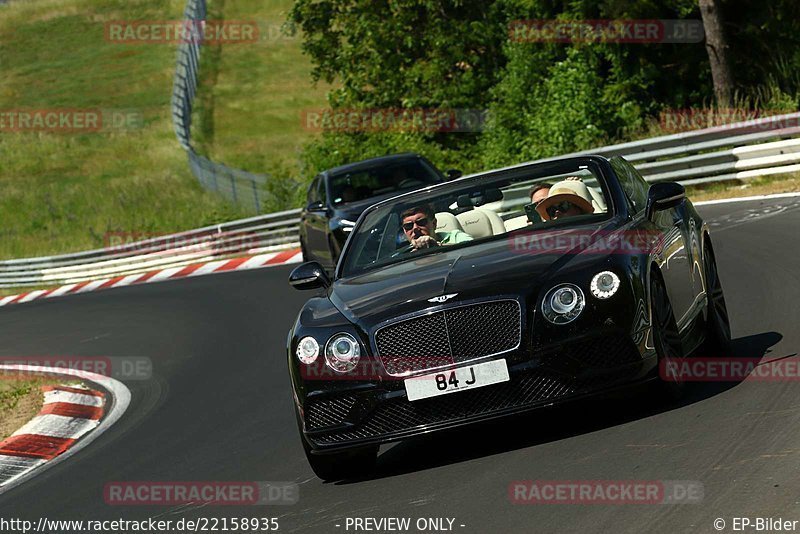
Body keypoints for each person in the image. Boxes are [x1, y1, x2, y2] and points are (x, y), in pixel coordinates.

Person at [400, 205, 472, 250]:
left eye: (421, 222)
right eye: (408, 226)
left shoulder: (455, 237)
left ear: (434, 224)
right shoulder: (403, 253)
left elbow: (473, 249)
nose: (415, 228)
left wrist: (438, 246)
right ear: (404, 230)